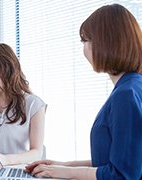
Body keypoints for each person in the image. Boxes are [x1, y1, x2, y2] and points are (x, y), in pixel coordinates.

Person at [25, 4, 142, 179]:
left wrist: (66, 173)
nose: (84, 48)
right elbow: (112, 162)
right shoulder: (133, 86)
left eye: (86, 41)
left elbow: (123, 175)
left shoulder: (125, 95)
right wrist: (61, 165)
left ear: (107, 42)